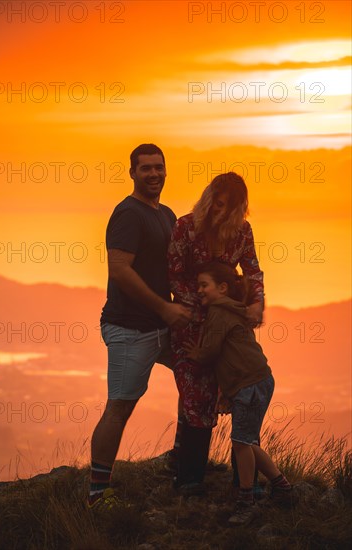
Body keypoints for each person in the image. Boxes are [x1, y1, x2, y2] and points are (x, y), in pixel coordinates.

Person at [89, 144, 191, 508]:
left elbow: (172, 268)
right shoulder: (128, 213)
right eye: (145, 168)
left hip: (161, 324)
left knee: (194, 375)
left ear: (166, 170)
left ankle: (183, 459)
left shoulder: (166, 214)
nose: (153, 174)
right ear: (132, 172)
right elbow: (119, 270)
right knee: (120, 406)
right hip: (130, 327)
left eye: (158, 167)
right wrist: (164, 308)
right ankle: (97, 493)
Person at [168, 172, 264, 493]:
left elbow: (252, 271)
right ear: (209, 199)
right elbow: (175, 276)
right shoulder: (185, 227)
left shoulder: (242, 232)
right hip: (191, 328)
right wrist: (202, 306)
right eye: (217, 204)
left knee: (242, 396)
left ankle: (245, 485)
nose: (219, 213)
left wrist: (255, 304)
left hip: (231, 329)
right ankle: (189, 481)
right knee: (197, 398)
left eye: (227, 208)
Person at [185, 262, 292, 525]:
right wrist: (226, 392)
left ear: (222, 288)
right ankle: (282, 487)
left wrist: (194, 354)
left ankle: (246, 501)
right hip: (257, 380)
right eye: (198, 285)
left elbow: (211, 351)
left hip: (250, 384)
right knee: (247, 441)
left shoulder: (218, 313)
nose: (199, 290)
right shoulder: (231, 310)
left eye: (204, 285)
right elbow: (229, 356)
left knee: (241, 443)